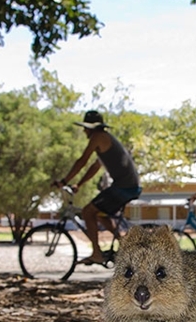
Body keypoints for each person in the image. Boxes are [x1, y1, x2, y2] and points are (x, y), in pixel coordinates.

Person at [54, 110, 141, 265]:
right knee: (100, 214)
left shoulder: (98, 137)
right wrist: (78, 185)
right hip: (128, 186)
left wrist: (64, 180)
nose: (84, 130)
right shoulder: (105, 140)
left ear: (91, 128)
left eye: (85, 127)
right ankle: (124, 246)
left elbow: (82, 160)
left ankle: (96, 254)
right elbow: (94, 167)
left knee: (88, 211)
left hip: (124, 187)